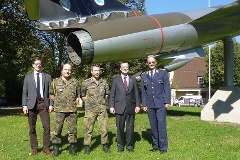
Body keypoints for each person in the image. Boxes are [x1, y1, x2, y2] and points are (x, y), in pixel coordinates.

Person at [22, 57, 53, 156]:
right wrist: (24, 105)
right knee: (32, 128)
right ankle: (34, 148)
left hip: (44, 104)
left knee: (47, 127)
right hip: (31, 104)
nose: (38, 65)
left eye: (39, 63)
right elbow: (24, 92)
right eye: (36, 64)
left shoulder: (47, 77)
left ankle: (46, 148)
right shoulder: (28, 77)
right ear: (33, 65)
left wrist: (51, 104)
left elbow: (51, 92)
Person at [141, 55, 171, 154]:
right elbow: (143, 92)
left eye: (153, 62)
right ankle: (155, 145)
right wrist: (144, 104)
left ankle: (163, 147)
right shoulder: (144, 75)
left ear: (156, 62)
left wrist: (167, 101)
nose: (151, 64)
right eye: (149, 62)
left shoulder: (162, 73)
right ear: (147, 63)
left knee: (161, 125)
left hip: (160, 104)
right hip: (150, 105)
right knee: (153, 126)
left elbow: (167, 88)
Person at [109, 62, 140, 152]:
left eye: (127, 67)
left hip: (131, 107)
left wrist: (138, 105)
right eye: (123, 67)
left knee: (130, 128)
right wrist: (111, 106)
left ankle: (129, 146)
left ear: (128, 68)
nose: (125, 68)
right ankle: (120, 146)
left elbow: (137, 94)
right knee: (120, 128)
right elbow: (112, 94)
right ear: (120, 68)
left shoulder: (133, 79)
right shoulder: (116, 80)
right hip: (119, 107)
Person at [50, 64, 80, 157]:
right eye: (65, 69)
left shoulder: (75, 82)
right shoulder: (55, 82)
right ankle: (56, 147)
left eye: (69, 70)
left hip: (72, 110)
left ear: (71, 71)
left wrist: (77, 105)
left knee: (72, 130)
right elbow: (51, 95)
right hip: (59, 110)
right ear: (62, 70)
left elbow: (78, 96)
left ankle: (72, 147)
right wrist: (59, 103)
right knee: (57, 130)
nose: (67, 71)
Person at [81, 65, 110, 154]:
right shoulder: (86, 83)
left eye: (98, 70)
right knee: (88, 129)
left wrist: (101, 103)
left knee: (104, 128)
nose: (97, 72)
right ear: (91, 72)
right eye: (95, 70)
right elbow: (83, 95)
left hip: (102, 109)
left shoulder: (104, 82)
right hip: (90, 109)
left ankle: (105, 144)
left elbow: (106, 95)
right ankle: (87, 146)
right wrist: (90, 103)